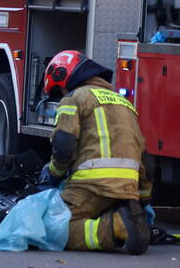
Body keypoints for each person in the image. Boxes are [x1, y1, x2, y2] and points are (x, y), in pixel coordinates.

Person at [39, 50, 151, 254]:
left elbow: (64, 145)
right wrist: (143, 200)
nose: (62, 94)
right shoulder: (124, 103)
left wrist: (53, 174)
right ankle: (123, 215)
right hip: (127, 188)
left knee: (54, 228)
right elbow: (144, 154)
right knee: (96, 211)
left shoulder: (75, 98)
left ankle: (117, 226)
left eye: (60, 90)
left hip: (91, 185)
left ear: (62, 74)